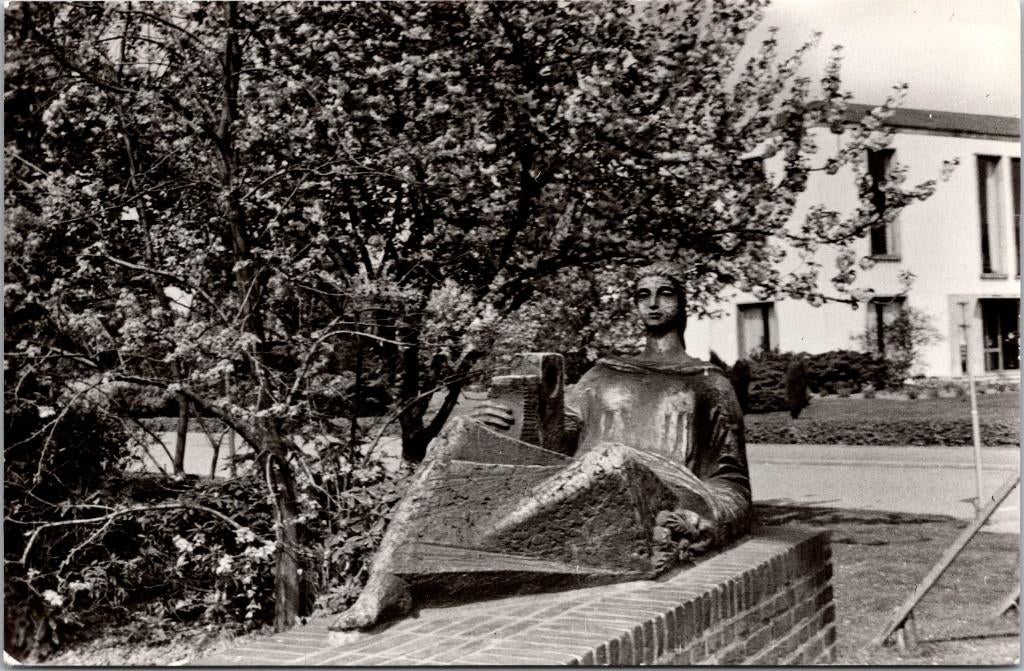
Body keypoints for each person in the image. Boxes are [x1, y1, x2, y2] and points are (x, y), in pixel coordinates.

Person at [329, 262, 750, 632]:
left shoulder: (708, 383)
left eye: (665, 294)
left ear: (684, 301)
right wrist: (497, 420)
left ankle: (440, 558)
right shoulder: (603, 374)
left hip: (663, 489)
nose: (653, 303)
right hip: (594, 483)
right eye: (643, 295)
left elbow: (734, 485)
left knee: (612, 458)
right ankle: (389, 580)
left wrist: (703, 523)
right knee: (458, 437)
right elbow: (557, 430)